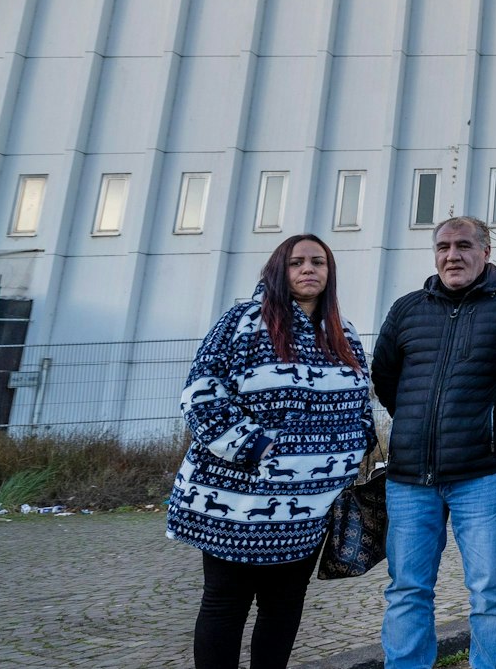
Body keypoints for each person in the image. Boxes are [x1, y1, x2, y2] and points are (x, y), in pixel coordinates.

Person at [169, 234, 376, 669]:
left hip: (308, 506)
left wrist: (353, 451)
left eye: (318, 262)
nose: (308, 270)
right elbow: (202, 395)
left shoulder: (343, 332)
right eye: (297, 262)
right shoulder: (241, 322)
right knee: (226, 603)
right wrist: (256, 448)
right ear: (279, 270)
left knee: (284, 606)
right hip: (238, 502)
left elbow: (361, 403)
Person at [373, 216, 496, 669]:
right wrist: (415, 424)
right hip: (408, 480)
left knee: (491, 590)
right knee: (407, 589)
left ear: (486, 252)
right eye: (443, 246)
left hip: (485, 475)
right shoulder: (407, 309)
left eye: (463, 246)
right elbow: (385, 378)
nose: (452, 255)